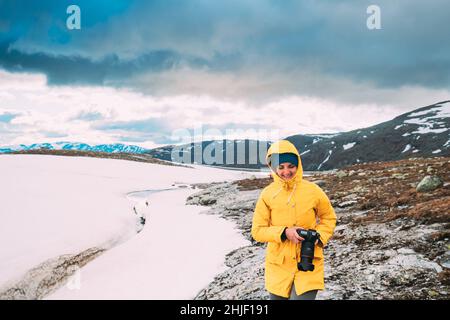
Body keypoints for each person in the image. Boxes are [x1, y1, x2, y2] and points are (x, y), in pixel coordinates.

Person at [251, 140, 337, 300]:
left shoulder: (313, 191)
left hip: (308, 261)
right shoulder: (267, 194)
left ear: (298, 164)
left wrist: (319, 237)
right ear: (273, 167)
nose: (286, 171)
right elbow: (257, 231)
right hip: (278, 265)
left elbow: (329, 217)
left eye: (291, 166)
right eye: (281, 167)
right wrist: (284, 232)